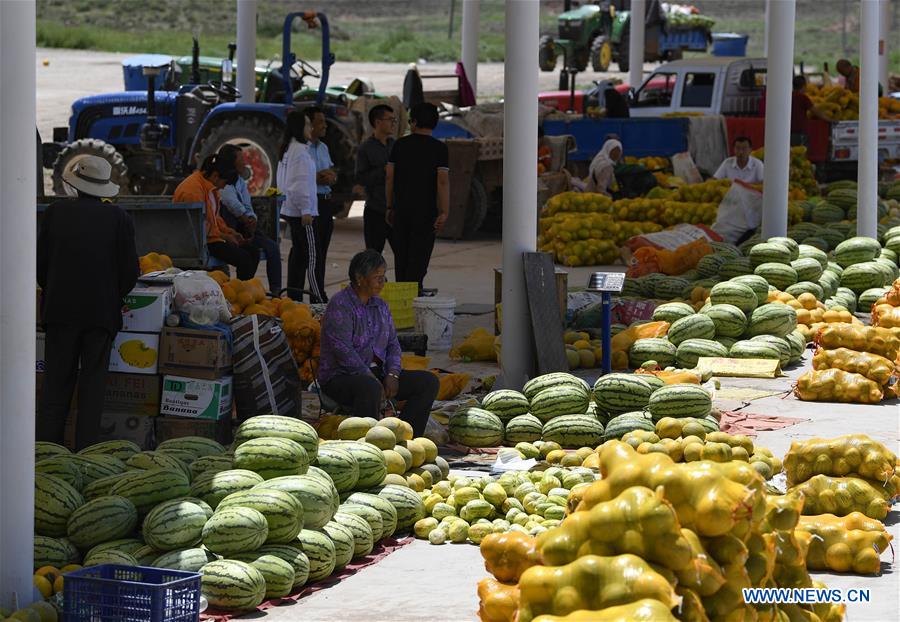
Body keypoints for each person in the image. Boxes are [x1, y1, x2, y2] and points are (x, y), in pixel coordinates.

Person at [37, 155, 139, 450]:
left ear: (76, 185)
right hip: (100, 314)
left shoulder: (55, 213)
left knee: (55, 386)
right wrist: (111, 295)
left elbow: (41, 265)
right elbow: (130, 273)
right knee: (92, 390)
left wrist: (54, 289)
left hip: (60, 311)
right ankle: (85, 454)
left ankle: (47, 453)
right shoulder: (119, 218)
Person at [318, 250, 439, 436]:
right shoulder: (340, 305)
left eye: (384, 277)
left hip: (377, 373)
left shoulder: (380, 306)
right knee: (370, 387)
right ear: (360, 278)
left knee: (428, 382)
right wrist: (371, 378)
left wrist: (393, 374)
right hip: (340, 377)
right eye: (377, 277)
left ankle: (404, 435)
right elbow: (343, 350)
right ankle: (369, 441)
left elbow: (393, 344)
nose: (382, 282)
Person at [385, 102, 449, 292]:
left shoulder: (399, 145)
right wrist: (444, 211)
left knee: (402, 257)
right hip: (426, 212)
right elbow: (442, 182)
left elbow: (389, 177)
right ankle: (415, 293)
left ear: (413, 122)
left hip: (402, 210)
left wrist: (389, 206)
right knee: (419, 258)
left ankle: (403, 294)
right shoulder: (440, 148)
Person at [174, 154, 259, 279]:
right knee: (244, 259)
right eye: (224, 183)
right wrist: (225, 237)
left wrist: (230, 232)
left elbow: (215, 218)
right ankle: (240, 289)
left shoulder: (210, 188)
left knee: (253, 252)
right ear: (215, 176)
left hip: (211, 238)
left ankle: (244, 288)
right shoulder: (193, 190)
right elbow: (198, 227)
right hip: (199, 242)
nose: (224, 187)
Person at [217, 144, 282, 293]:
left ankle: (276, 291)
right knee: (250, 254)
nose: (244, 162)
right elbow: (230, 201)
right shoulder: (222, 181)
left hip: (244, 227)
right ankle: (241, 290)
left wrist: (251, 218)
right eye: (241, 159)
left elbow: (247, 204)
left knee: (272, 248)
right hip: (229, 229)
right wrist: (245, 218)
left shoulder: (240, 181)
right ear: (231, 162)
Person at [278, 109, 326, 303]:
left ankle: (294, 297)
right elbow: (299, 183)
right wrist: (306, 210)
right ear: (299, 127)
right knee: (313, 257)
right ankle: (318, 298)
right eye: (307, 124)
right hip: (302, 213)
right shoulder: (300, 152)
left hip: (292, 209)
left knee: (298, 256)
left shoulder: (289, 148)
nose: (310, 128)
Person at [305, 106, 339, 302]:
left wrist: (331, 177)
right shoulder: (302, 149)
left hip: (325, 202)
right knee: (312, 253)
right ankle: (316, 295)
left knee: (322, 252)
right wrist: (317, 177)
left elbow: (331, 172)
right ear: (309, 125)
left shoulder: (324, 147)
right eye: (320, 122)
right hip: (311, 203)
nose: (325, 125)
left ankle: (318, 291)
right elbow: (302, 177)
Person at [356, 104, 397, 253]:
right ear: (378, 122)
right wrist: (383, 171)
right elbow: (361, 178)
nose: (393, 123)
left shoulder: (396, 146)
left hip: (396, 210)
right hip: (375, 209)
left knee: (403, 253)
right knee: (373, 255)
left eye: (394, 120)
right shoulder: (366, 148)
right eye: (390, 119)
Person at [759, 76, 832, 146]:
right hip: (799, 132)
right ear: (804, 86)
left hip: (787, 131)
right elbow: (815, 111)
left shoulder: (787, 96)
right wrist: (829, 119)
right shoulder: (803, 98)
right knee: (800, 152)